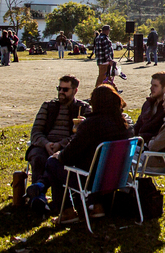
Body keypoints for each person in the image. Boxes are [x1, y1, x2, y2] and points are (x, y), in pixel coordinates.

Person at [43, 85, 134, 224]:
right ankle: (97, 206)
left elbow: (69, 155)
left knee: (52, 162)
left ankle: (67, 211)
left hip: (92, 181)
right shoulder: (125, 125)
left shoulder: (91, 124)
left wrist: (59, 154)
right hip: (117, 177)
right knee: (96, 162)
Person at [24, 75, 91, 214]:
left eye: (65, 89)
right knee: (38, 158)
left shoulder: (82, 109)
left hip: (67, 147)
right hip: (44, 145)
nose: (61, 92)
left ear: (75, 90)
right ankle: (38, 199)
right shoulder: (48, 106)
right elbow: (36, 131)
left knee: (59, 161)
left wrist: (61, 144)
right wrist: (46, 144)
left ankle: (52, 198)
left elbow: (81, 136)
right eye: (59, 88)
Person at [132, 70, 165, 145]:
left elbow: (159, 134)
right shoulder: (148, 104)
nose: (151, 88)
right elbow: (138, 124)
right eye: (151, 85)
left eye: (155, 86)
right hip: (136, 142)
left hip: (148, 146)